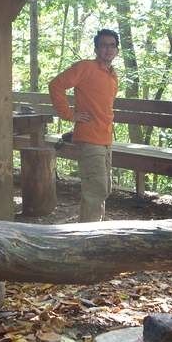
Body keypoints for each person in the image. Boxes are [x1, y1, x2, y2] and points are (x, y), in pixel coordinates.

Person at [48, 29, 119, 222]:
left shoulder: (112, 75)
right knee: (96, 190)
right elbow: (56, 85)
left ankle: (92, 229)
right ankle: (87, 238)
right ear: (96, 48)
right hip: (89, 138)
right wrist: (70, 115)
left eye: (112, 45)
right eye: (104, 45)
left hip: (105, 140)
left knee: (102, 189)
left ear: (117, 50)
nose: (108, 49)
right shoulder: (85, 67)